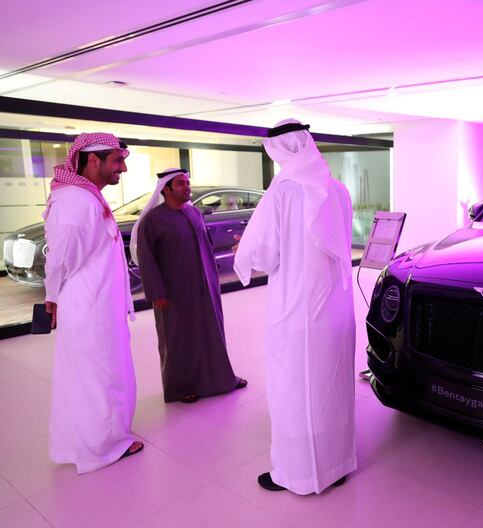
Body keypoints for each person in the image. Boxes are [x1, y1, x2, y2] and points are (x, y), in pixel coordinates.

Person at [234, 119, 356, 494]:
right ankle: (335, 464)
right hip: (334, 308)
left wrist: (248, 245)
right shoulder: (338, 190)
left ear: (279, 150)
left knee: (295, 390)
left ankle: (297, 474)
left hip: (294, 312)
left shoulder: (283, 191)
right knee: (329, 387)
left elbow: (265, 255)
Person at [43, 132, 142, 473]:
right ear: (92, 160)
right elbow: (60, 260)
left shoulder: (86, 196)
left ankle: (90, 441)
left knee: (94, 377)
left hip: (97, 305)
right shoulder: (77, 202)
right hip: (90, 308)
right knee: (98, 378)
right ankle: (101, 447)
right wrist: (52, 296)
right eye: (117, 160)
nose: (123, 168)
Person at [131, 168, 247, 403]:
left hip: (205, 287)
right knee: (178, 337)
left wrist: (213, 277)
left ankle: (221, 379)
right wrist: (156, 292)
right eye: (181, 184)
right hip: (173, 291)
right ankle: (180, 387)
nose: (187, 187)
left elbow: (206, 246)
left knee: (211, 332)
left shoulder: (194, 213)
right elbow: (146, 259)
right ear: (166, 189)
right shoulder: (152, 221)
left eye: (187, 183)